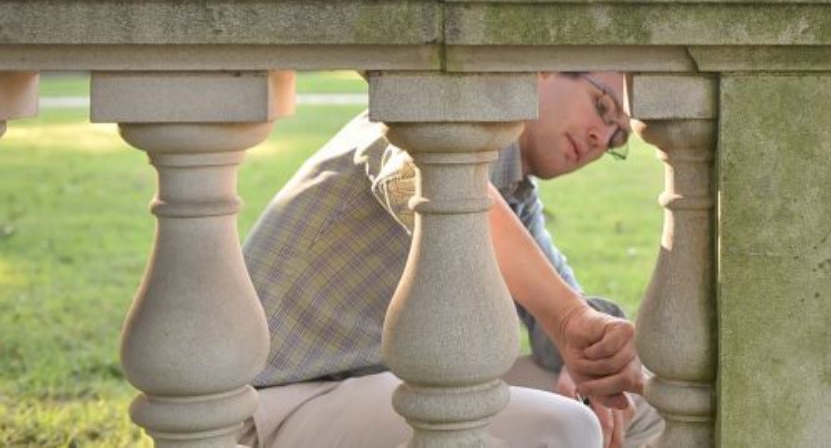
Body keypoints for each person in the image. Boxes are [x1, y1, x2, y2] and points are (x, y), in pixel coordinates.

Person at [237, 71, 663, 448]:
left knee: (647, 403)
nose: (600, 138)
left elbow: (560, 326)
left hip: (383, 384)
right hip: (280, 401)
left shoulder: (516, 191)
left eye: (618, 138)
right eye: (602, 105)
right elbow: (429, 184)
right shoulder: (412, 127)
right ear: (543, 70)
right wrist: (569, 319)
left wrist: (597, 354)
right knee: (566, 426)